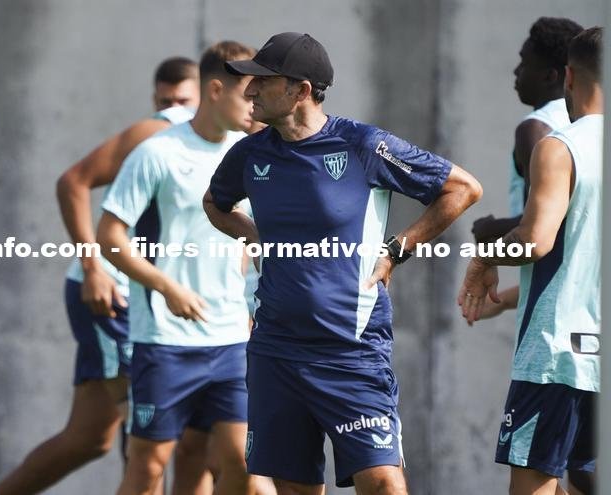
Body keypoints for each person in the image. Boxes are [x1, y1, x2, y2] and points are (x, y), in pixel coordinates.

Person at [204, 32, 482, 495]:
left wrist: (398, 249)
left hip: (351, 350)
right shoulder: (249, 155)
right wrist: (252, 236)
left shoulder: (363, 145)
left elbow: (463, 188)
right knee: (294, 489)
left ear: (300, 90)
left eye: (261, 82)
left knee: (384, 484)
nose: (248, 92)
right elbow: (215, 203)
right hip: (276, 350)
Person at [0, 56, 213, 495]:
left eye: (183, 99)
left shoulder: (228, 141)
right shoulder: (158, 130)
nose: (175, 108)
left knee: (90, 438)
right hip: (113, 294)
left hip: (155, 299)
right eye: (167, 100)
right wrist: (94, 268)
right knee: (153, 433)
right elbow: (72, 181)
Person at [97, 40, 257, 495]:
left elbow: (244, 239)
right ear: (214, 90)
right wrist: (167, 287)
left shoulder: (247, 155)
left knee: (242, 463)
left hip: (229, 339)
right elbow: (109, 238)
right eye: (247, 94)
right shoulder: (157, 153)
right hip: (164, 341)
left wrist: (246, 299)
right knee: (148, 469)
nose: (255, 106)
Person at [458, 27, 602, 495]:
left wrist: (486, 256)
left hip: (558, 356)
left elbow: (536, 241)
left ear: (569, 78)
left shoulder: (560, 145)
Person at [471, 17, 583, 319]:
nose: (516, 71)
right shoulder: (586, 129)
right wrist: (506, 301)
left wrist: (489, 231)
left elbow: (547, 225)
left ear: (551, 76)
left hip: (552, 317)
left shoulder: (535, 129)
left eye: (525, 62)